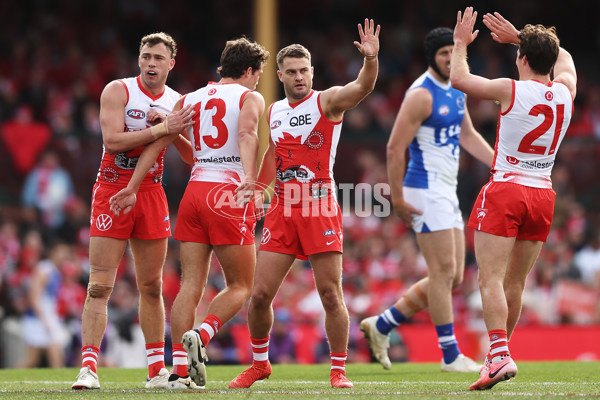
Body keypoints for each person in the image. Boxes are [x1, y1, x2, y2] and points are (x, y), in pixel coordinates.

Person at [109, 37, 270, 389]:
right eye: (258, 74)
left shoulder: (190, 99)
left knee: (190, 285)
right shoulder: (249, 96)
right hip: (226, 192)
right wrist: (249, 177)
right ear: (248, 71)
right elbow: (245, 133)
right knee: (241, 285)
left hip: (194, 193)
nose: (258, 81)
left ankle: (181, 373)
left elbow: (165, 143)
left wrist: (133, 186)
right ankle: (202, 332)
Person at [228, 19, 380, 389]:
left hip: (318, 204)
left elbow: (362, 87)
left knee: (330, 293)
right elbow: (272, 155)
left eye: (304, 70)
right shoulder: (275, 111)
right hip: (282, 208)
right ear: (280, 74)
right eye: (292, 72)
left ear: (313, 72)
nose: (299, 77)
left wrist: (371, 60)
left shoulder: (327, 101)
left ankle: (338, 370)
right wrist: (255, 186)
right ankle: (260, 364)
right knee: (260, 294)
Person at [450, 8, 577, 390]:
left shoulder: (510, 88)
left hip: (507, 187)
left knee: (488, 278)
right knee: (515, 283)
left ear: (521, 58)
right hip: (543, 192)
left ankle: (500, 354)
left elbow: (458, 77)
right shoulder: (567, 91)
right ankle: (498, 355)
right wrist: (523, 36)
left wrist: (459, 43)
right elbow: (565, 58)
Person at [359, 26, 494, 372]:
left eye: (454, 52)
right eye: (443, 53)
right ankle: (450, 355)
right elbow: (393, 148)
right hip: (423, 187)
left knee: (453, 278)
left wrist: (500, 164)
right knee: (442, 271)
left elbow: (468, 135)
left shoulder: (458, 89)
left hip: (445, 189)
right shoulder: (421, 94)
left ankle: (383, 324)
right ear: (432, 58)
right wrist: (398, 199)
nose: (450, 59)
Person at [72, 32, 195, 390]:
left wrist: (176, 129)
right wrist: (161, 127)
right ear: (138, 59)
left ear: (171, 63)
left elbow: (190, 157)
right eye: (145, 56)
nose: (151, 63)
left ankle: (156, 370)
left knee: (152, 286)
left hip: (151, 193)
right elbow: (112, 141)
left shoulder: (178, 101)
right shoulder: (118, 90)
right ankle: (89, 368)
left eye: (158, 57)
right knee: (99, 286)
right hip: (112, 189)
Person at [18, 240, 71, 368]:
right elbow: (33, 297)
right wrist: (44, 320)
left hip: (47, 317)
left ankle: (61, 383)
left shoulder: (56, 271)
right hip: (37, 319)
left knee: (56, 355)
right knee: (32, 360)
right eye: (61, 251)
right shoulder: (44, 269)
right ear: (53, 252)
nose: (64, 255)